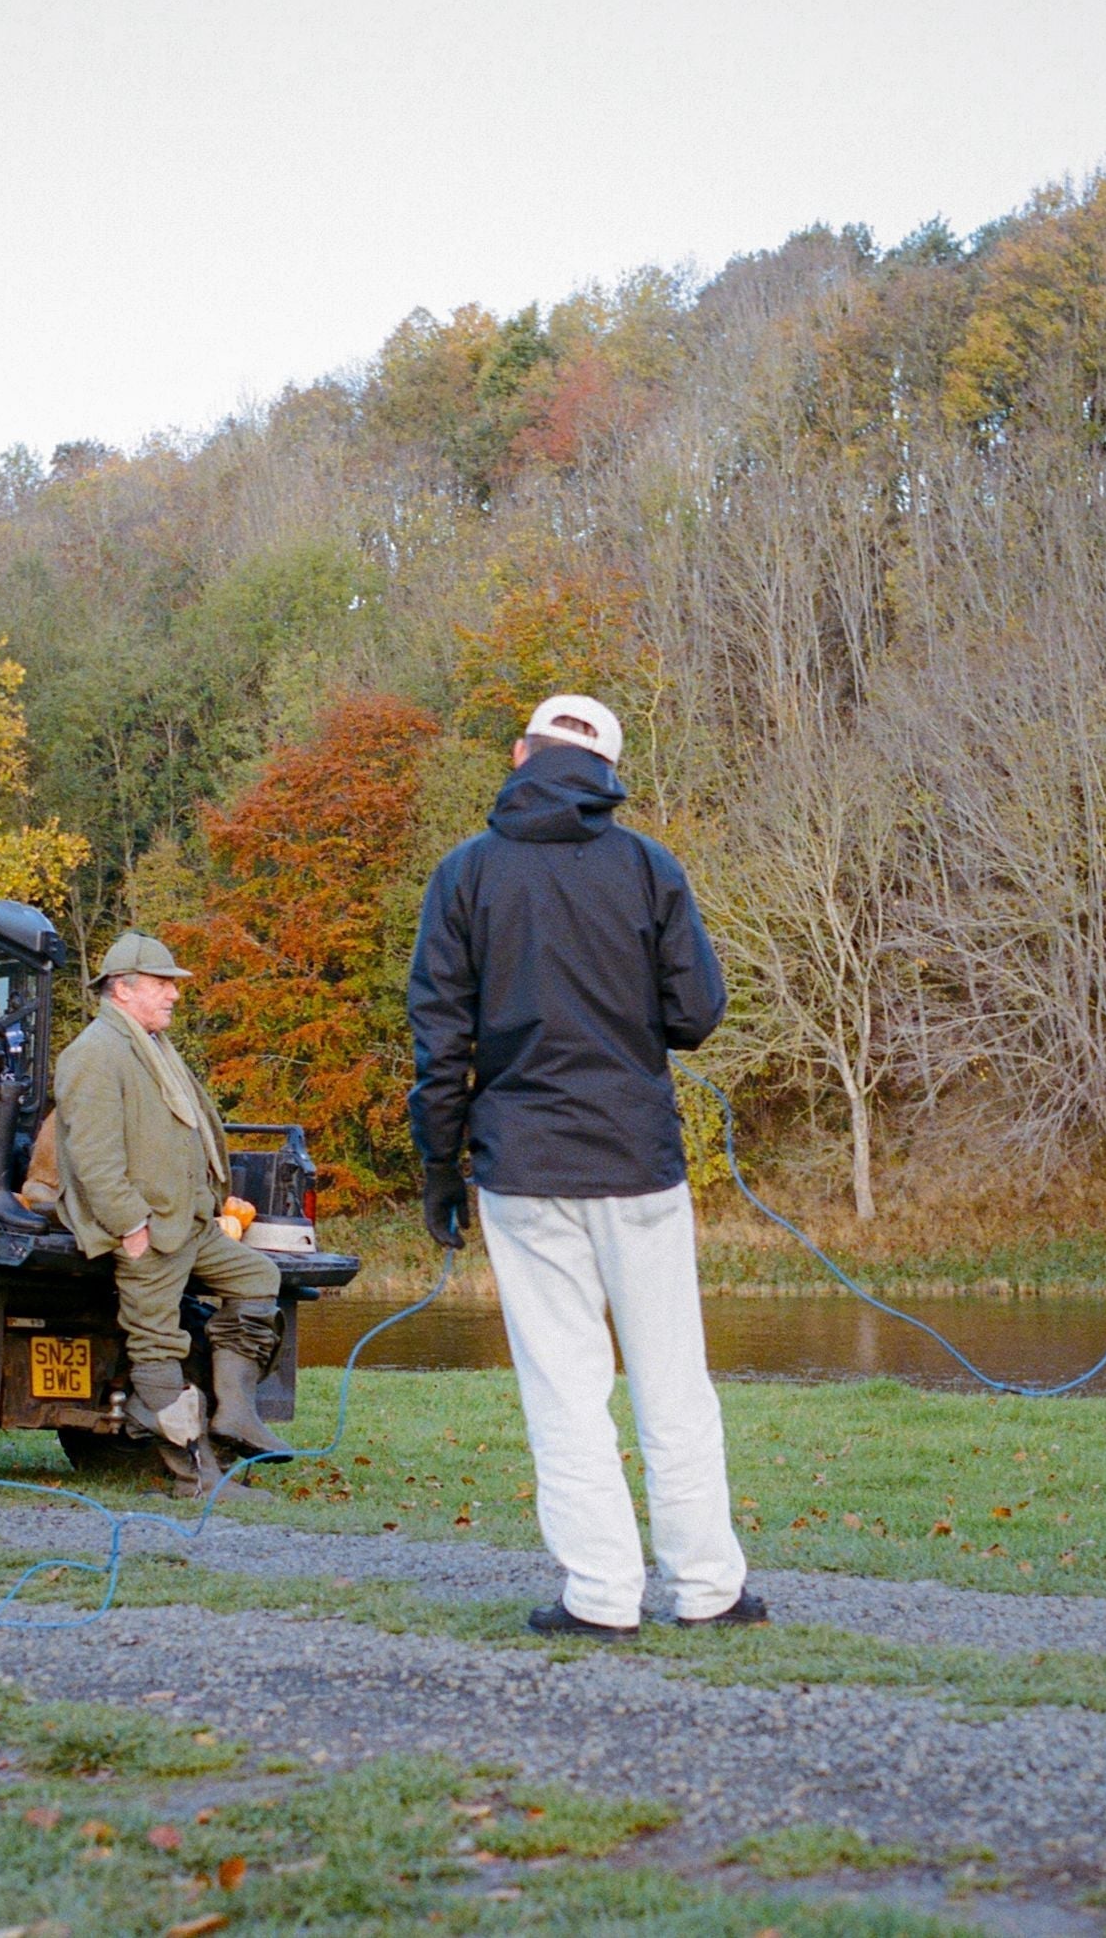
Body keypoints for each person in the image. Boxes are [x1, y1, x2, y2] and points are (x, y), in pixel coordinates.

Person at [407, 693, 760, 1638]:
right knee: (673, 1378)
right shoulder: (647, 865)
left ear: (522, 753)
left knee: (565, 1387)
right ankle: (708, 1589)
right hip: (638, 1160)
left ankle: (601, 1597)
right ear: (609, 773)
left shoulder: (465, 874)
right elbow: (697, 1013)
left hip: (523, 1170)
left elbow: (440, 1038)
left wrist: (440, 1164)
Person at [52, 929, 284, 1485]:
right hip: (148, 1228)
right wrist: (130, 1224)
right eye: (162, 984)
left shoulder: (152, 1046)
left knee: (259, 1278)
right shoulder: (94, 1053)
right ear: (121, 989)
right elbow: (93, 1157)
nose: (174, 994)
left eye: (172, 984)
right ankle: (195, 1478)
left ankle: (236, 1415)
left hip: (190, 1223)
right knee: (156, 1343)